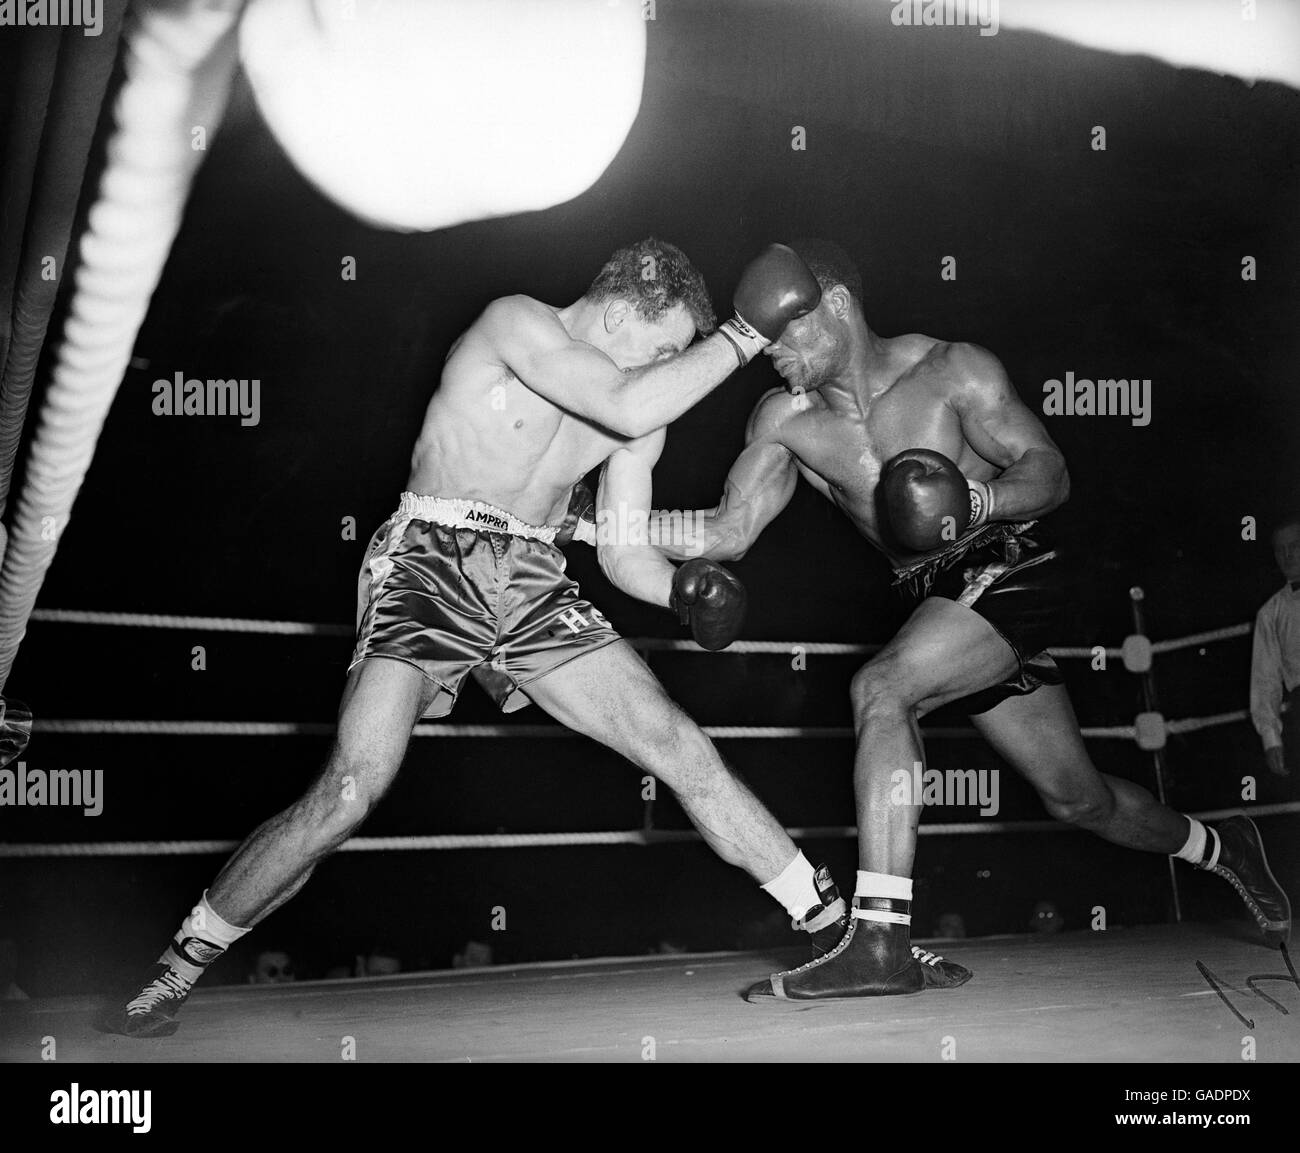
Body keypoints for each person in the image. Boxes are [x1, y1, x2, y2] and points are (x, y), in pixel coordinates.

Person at [100, 238, 859, 1038]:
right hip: (431, 554)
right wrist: (741, 335)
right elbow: (631, 403)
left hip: (534, 574)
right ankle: (176, 969)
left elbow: (622, 549)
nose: (672, 369)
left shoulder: (640, 414)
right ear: (615, 309)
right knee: (352, 788)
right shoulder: (517, 325)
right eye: (666, 346)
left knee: (676, 740)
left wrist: (678, 588)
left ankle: (831, 928)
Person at [648, 239, 1292, 1002]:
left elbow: (1048, 470)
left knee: (882, 689)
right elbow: (728, 530)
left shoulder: (951, 370)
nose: (768, 353)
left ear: (837, 307)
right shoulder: (782, 420)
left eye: (782, 331)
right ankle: (1227, 847)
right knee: (1077, 798)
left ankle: (880, 940)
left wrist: (977, 501)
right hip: (943, 606)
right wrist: (597, 522)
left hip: (1014, 562)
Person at [1250, 516, 1300, 780]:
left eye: (1295, 545)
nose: (1287, 555)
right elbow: (1265, 680)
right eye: (1280, 549)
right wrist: (1271, 738)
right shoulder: (1270, 613)